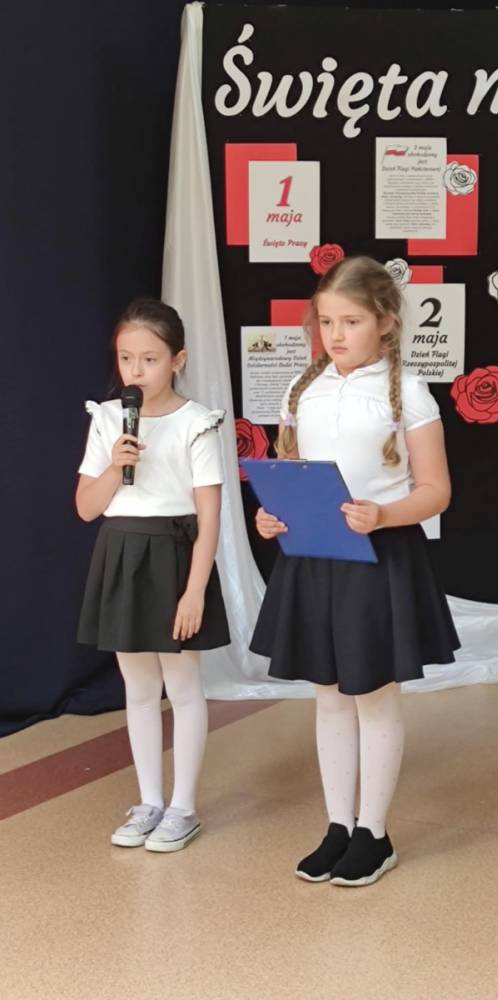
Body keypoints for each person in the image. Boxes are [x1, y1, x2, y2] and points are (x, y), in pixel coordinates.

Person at [250, 256, 459, 887]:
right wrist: (272, 517)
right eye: (325, 322)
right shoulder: (301, 389)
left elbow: (437, 491)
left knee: (373, 695)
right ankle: (338, 826)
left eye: (351, 321)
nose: (335, 335)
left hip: (380, 558)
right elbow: (293, 476)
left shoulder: (409, 392)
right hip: (315, 560)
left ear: (386, 322)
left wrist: (383, 514)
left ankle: (375, 832)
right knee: (329, 696)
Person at [76, 298, 230, 852]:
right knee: (138, 688)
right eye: (126, 359)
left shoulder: (197, 422)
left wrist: (195, 590)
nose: (136, 371)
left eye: (149, 359)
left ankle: (183, 806)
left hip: (174, 555)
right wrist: (115, 466)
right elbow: (86, 508)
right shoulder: (107, 420)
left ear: (177, 360)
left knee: (182, 687)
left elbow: (210, 516)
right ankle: (149, 801)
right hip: (121, 552)